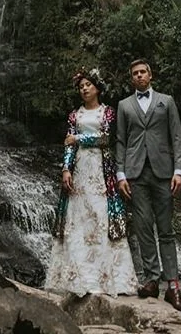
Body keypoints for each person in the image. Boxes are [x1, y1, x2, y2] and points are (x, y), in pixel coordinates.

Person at [45, 68, 138, 297]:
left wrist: (79, 138)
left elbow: (106, 138)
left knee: (100, 217)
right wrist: (66, 168)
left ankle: (108, 280)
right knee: (77, 220)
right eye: (81, 86)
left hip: (100, 169)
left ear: (97, 87)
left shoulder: (108, 113)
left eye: (88, 84)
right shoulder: (73, 116)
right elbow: (68, 145)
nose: (84, 88)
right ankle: (77, 278)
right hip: (79, 170)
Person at [115, 58, 181, 314]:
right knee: (144, 228)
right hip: (135, 174)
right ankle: (151, 280)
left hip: (163, 173)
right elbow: (121, 142)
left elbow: (177, 137)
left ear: (151, 75)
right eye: (135, 73)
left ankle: (173, 286)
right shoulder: (124, 105)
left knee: (166, 230)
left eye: (143, 72)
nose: (139, 76)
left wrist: (179, 171)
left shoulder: (166, 101)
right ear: (131, 78)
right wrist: (121, 175)